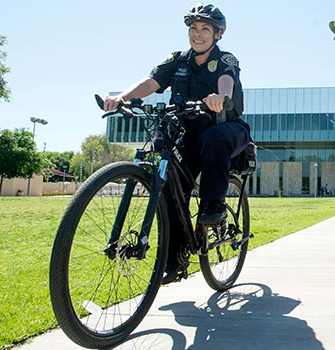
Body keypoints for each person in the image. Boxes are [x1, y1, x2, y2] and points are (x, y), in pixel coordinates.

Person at [104, 3, 252, 282]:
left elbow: (225, 82)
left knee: (214, 138)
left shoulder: (225, 59)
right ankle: (175, 260)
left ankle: (213, 207)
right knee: (169, 186)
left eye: (205, 29)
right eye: (194, 28)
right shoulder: (178, 60)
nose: (198, 34)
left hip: (226, 128)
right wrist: (122, 97)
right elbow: (152, 81)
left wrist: (219, 99)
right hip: (189, 133)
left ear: (217, 34)